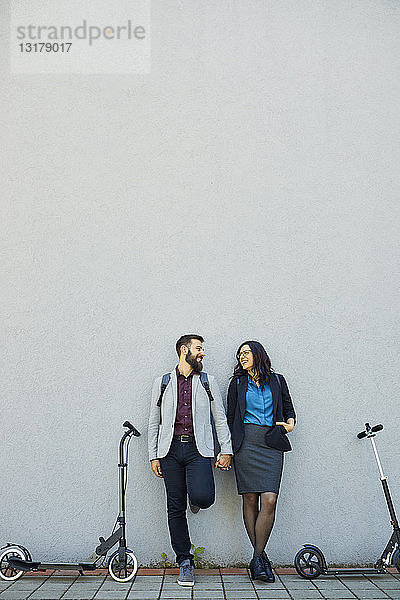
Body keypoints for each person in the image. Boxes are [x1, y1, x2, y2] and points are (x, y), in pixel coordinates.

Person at [148, 334, 232, 587]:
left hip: (199, 450)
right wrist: (153, 455)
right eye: (198, 349)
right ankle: (185, 561)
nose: (202, 353)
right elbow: (154, 420)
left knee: (203, 497)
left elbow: (220, 418)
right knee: (175, 507)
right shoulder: (162, 382)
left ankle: (194, 499)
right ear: (184, 350)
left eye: (202, 349)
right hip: (170, 450)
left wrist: (225, 449)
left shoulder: (208, 382)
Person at [227, 341, 296, 583]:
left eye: (246, 352)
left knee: (270, 499)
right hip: (246, 442)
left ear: (258, 354)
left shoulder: (277, 380)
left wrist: (290, 423)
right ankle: (260, 561)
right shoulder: (237, 383)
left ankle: (256, 558)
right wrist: (227, 449)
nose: (242, 356)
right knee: (250, 498)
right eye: (240, 354)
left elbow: (288, 408)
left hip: (271, 443)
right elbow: (230, 417)